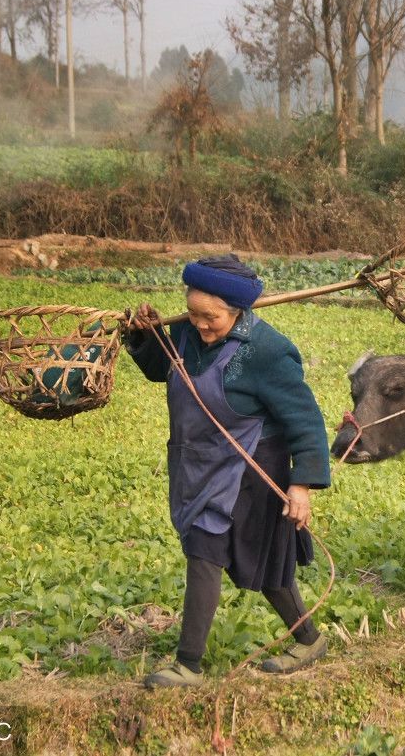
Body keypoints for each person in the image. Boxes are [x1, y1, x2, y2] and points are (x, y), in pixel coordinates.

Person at [125, 254, 331, 688]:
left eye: (211, 318)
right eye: (193, 313)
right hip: (197, 464)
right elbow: (162, 369)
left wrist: (301, 485)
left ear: (237, 311)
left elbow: (305, 420)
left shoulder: (268, 351)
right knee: (220, 551)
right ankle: (306, 640)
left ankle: (189, 665)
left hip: (251, 470)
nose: (201, 325)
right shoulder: (185, 332)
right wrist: (145, 335)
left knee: (229, 554)